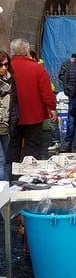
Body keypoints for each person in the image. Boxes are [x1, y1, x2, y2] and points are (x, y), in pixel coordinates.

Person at [7, 38, 57, 162]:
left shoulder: (7, 68)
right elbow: (46, 92)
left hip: (10, 115)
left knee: (12, 145)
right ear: (27, 51)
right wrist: (52, 108)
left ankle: (10, 175)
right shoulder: (37, 68)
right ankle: (28, 175)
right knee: (32, 146)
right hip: (33, 114)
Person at [0, 51, 17, 181]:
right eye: (0, 65)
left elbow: (15, 103)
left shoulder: (12, 81)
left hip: (7, 126)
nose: (4, 68)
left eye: (6, 64)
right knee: (1, 160)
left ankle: (9, 188)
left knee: (9, 159)